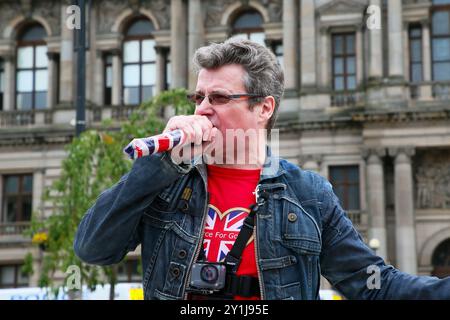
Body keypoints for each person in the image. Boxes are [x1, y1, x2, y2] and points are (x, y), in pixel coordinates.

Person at [74, 38, 450, 300]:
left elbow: (376, 287)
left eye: (219, 97)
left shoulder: (308, 194)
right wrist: (157, 166)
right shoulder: (167, 181)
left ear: (264, 108)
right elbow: (92, 248)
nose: (202, 108)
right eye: (199, 97)